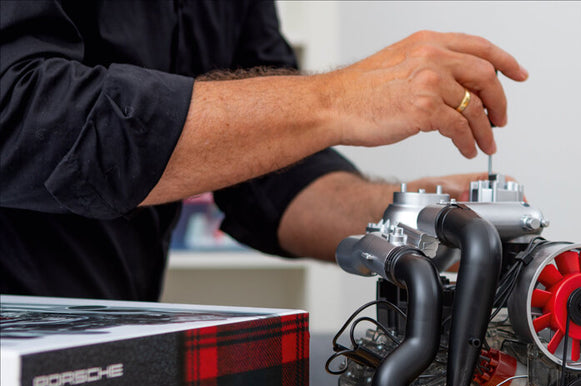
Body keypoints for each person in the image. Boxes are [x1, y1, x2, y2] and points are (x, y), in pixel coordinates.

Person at [0, 1, 528, 300]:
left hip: (115, 347)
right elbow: (27, 119)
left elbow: (269, 173)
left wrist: (415, 218)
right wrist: (339, 98)